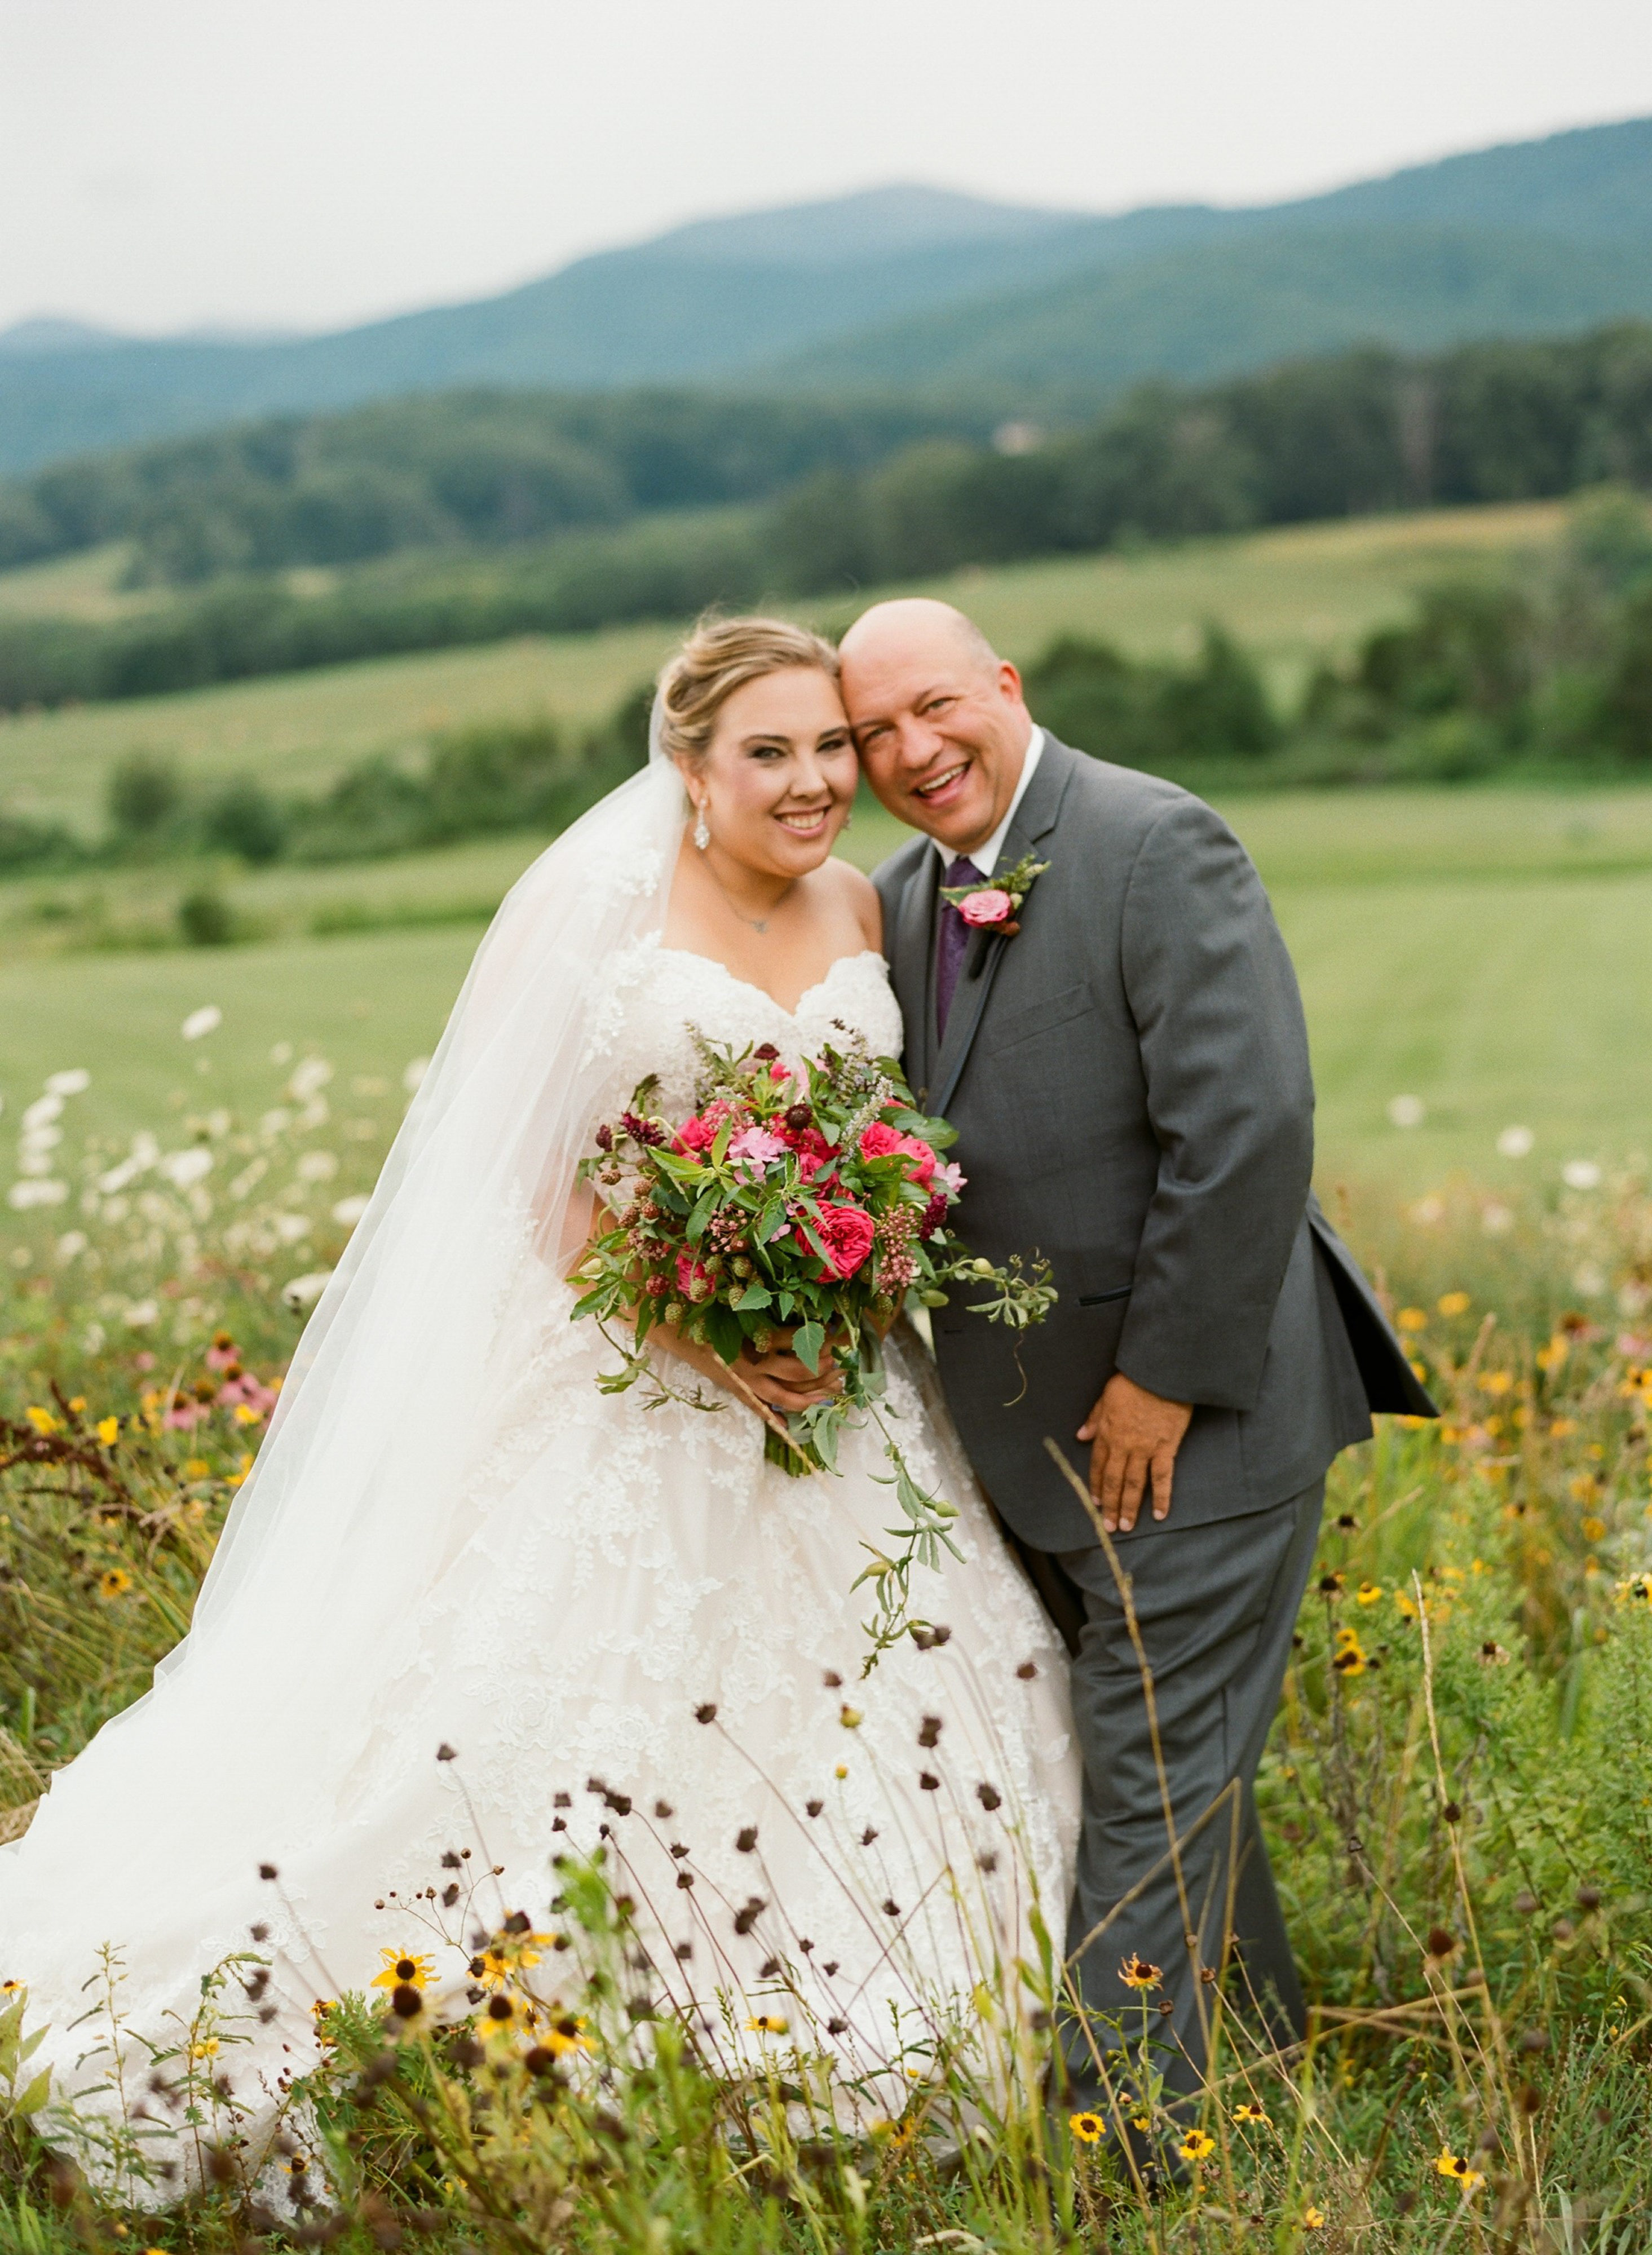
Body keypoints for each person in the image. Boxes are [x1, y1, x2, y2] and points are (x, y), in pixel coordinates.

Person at [0, 617, 1079, 2199]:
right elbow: (533, 1195)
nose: (811, 783)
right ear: (689, 767)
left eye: (827, 749)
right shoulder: (596, 911)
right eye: (767, 753)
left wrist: (838, 1287)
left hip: (847, 1398)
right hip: (636, 1387)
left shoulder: (863, 900)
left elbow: (887, 1143)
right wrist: (715, 1337)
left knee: (905, 1712)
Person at [841, 596, 1434, 2120]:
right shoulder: (904, 897)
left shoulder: (1154, 843)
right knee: (1177, 1781)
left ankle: (1119, 2151)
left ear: (1004, 685)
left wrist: (1161, 1379)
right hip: (1033, 1441)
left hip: (1197, 1418)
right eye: (872, 736)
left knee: (1148, 1774)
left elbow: (1244, 1131)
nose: (912, 752)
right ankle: (1254, 2084)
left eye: (933, 709)